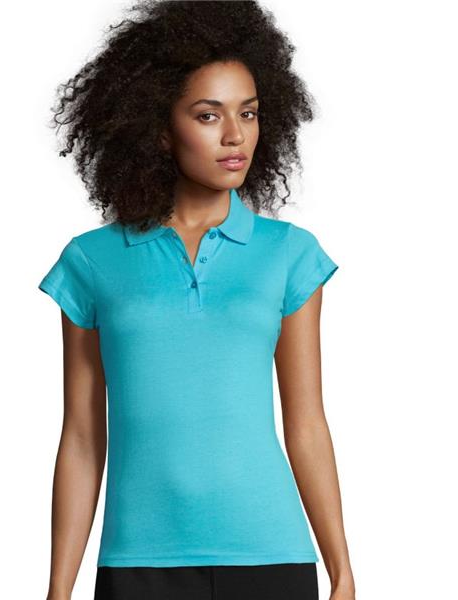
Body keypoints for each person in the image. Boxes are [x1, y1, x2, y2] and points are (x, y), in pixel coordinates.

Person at [38, 1, 355, 599]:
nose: (235, 136)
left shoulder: (289, 253)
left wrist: (343, 571)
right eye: (208, 115)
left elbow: (307, 422)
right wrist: (58, 589)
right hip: (138, 563)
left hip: (271, 558)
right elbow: (81, 436)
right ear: (159, 128)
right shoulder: (92, 261)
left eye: (248, 113)